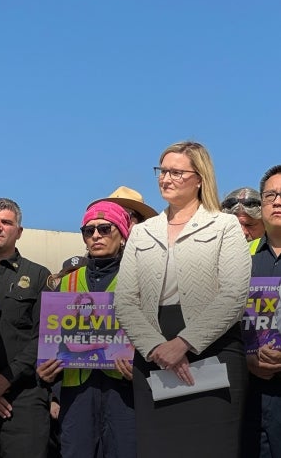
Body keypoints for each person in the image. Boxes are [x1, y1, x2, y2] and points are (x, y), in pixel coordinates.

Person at [115, 141, 251, 458]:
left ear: (199, 177)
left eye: (176, 172)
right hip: (152, 354)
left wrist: (184, 343)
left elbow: (233, 294)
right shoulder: (142, 232)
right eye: (162, 171)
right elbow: (125, 299)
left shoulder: (225, 225)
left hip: (213, 349)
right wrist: (155, 347)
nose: (166, 178)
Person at [36, 201, 136, 458]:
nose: (96, 236)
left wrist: (142, 366)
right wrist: (48, 377)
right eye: (88, 231)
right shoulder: (66, 282)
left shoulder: (140, 278)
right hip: (76, 395)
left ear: (123, 235)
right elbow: (49, 339)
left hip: (124, 394)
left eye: (105, 229)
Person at [0, 197, 51, 458]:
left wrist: (4, 380)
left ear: (19, 231)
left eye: (6, 222)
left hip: (23, 397)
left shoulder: (39, 276)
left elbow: (45, 337)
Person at [241, 166, 281, 458]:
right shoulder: (240, 258)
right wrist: (245, 355)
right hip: (248, 395)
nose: (277, 202)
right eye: (271, 195)